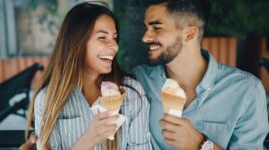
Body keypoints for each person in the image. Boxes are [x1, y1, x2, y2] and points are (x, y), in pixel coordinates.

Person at [132, 0, 269, 149]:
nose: (145, 37)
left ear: (189, 34)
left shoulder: (246, 91)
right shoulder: (138, 81)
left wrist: (201, 144)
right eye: (146, 28)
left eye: (156, 28)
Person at [26, 2, 151, 150]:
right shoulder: (48, 100)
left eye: (115, 38)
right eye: (102, 37)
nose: (115, 46)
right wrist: (90, 138)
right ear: (77, 42)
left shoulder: (131, 93)